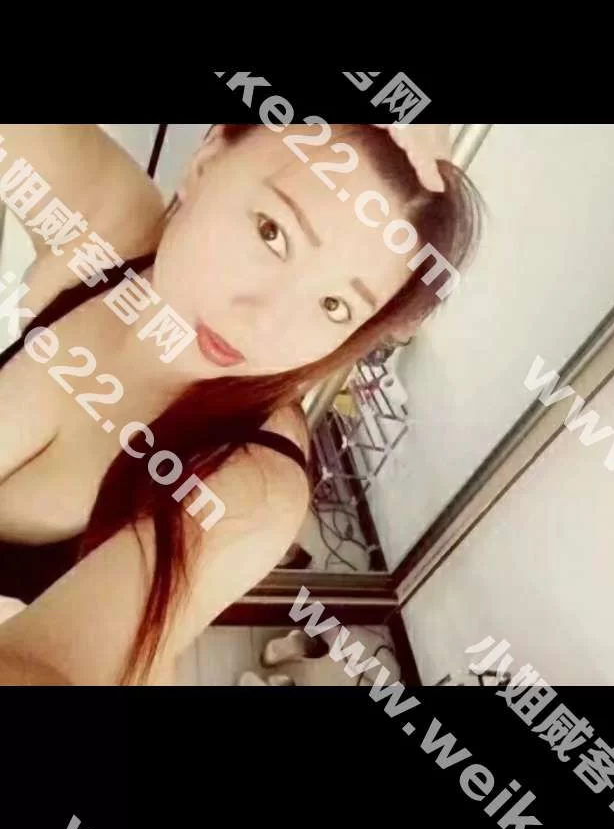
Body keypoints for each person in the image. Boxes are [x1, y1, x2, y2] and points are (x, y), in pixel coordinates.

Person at [0, 122, 481, 685]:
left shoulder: (253, 483)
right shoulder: (105, 230)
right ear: (205, 162)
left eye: (333, 305)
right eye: (272, 233)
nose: (261, 322)